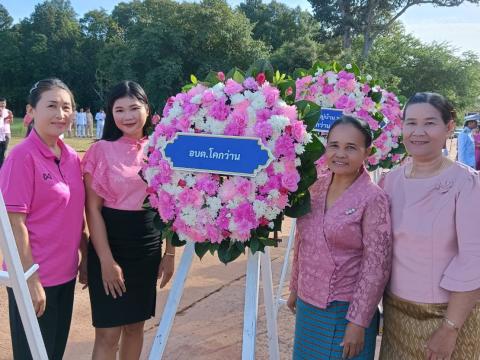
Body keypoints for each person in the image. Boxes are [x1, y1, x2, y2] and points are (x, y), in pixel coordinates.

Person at [379, 92, 480, 360]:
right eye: (411, 123)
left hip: (447, 318)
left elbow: (472, 259)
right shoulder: (390, 182)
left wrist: (449, 328)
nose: (418, 132)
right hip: (397, 314)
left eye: (430, 123)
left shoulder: (466, 184)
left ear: (449, 127)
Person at [83, 80, 175, 359]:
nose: (127, 116)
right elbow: (93, 210)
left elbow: (173, 205)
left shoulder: (163, 147)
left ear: (147, 108)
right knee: (108, 334)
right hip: (110, 242)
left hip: (147, 245)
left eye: (134, 108)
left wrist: (170, 252)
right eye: (119, 110)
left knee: (135, 327)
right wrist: (106, 261)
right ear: (110, 114)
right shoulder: (100, 150)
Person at [288, 115, 393, 360]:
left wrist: (358, 322)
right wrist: (295, 287)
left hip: (344, 310)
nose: (340, 154)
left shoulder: (372, 197)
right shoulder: (315, 187)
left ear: (367, 152)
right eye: (334, 145)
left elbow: (376, 265)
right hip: (308, 306)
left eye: (351, 147)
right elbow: (302, 242)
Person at [0, 78, 87, 360]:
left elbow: (76, 213)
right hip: (35, 278)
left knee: (53, 353)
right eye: (51, 106)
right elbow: (14, 224)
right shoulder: (21, 157)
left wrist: (84, 257)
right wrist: (30, 278)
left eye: (66, 107)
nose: (60, 114)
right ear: (31, 110)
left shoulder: (72, 157)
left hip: (65, 274)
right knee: (32, 355)